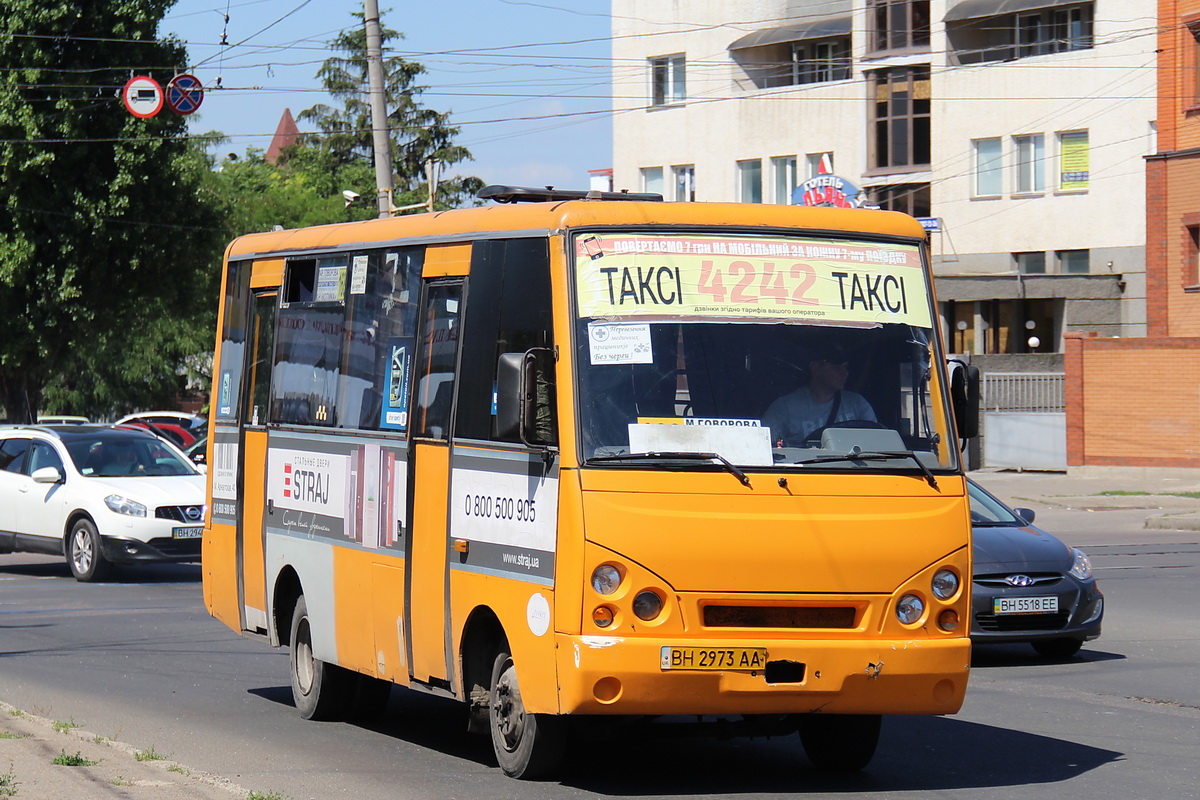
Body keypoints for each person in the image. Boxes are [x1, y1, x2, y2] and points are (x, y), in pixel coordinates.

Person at [762, 342, 876, 447]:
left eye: (845, 367)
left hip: (850, 468)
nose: (844, 373)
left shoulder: (858, 404)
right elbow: (763, 443)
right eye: (837, 367)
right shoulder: (784, 408)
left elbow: (875, 442)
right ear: (815, 368)